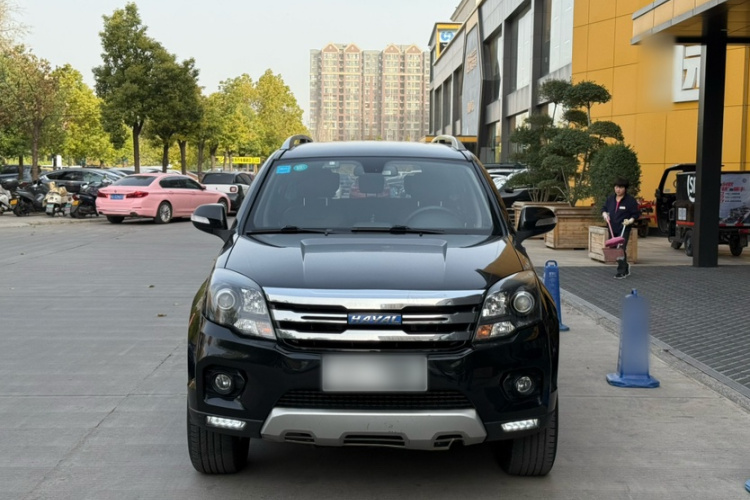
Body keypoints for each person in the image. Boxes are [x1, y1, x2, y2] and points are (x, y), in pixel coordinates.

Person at [601, 177, 640, 279]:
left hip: (624, 228)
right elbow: (604, 208)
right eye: (616, 187)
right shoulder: (610, 199)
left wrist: (630, 221)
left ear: (625, 189)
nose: (618, 190)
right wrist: (604, 214)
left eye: (621, 188)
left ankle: (621, 271)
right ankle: (625, 266)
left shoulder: (630, 201)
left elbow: (636, 214)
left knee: (621, 248)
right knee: (614, 248)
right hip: (612, 227)